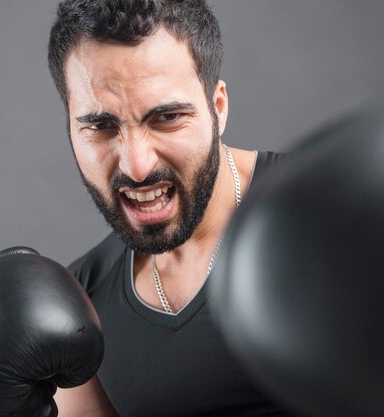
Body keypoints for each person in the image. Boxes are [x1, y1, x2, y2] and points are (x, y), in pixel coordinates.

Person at [46, 0, 290, 416]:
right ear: (70, 128)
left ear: (218, 108)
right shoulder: (79, 306)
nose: (137, 166)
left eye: (167, 117)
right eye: (101, 126)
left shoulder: (328, 213)